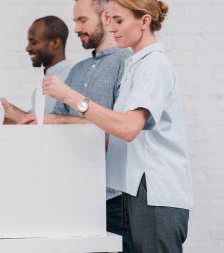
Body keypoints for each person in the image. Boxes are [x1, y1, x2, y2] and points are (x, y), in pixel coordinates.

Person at [40, 0, 193, 252]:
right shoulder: (137, 65)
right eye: (109, 19)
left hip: (154, 192)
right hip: (137, 191)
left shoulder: (154, 65)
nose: (111, 27)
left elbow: (128, 128)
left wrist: (72, 97)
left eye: (119, 20)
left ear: (144, 21)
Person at [20, 0, 132, 252]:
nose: (77, 28)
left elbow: (119, 131)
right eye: (75, 21)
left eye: (82, 20)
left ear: (105, 17)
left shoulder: (126, 62)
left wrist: (57, 120)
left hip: (114, 200)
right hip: (75, 198)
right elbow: (52, 125)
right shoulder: (78, 70)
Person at [0, 16, 72, 123]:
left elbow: (61, 127)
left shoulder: (74, 77)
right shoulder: (45, 81)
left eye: (33, 42)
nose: (27, 48)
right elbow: (36, 123)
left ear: (55, 43)